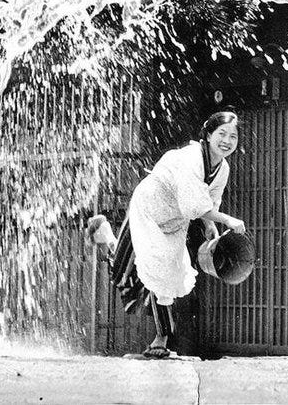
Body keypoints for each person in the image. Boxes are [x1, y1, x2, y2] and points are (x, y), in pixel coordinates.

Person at [88, 111, 245, 358]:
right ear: (208, 134)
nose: (227, 140)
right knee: (123, 276)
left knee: (166, 277)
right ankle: (107, 237)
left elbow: (208, 201)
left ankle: (160, 340)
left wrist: (209, 224)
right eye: (221, 134)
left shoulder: (222, 167)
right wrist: (225, 219)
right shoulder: (192, 158)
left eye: (233, 136)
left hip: (174, 221)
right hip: (148, 210)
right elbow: (194, 203)